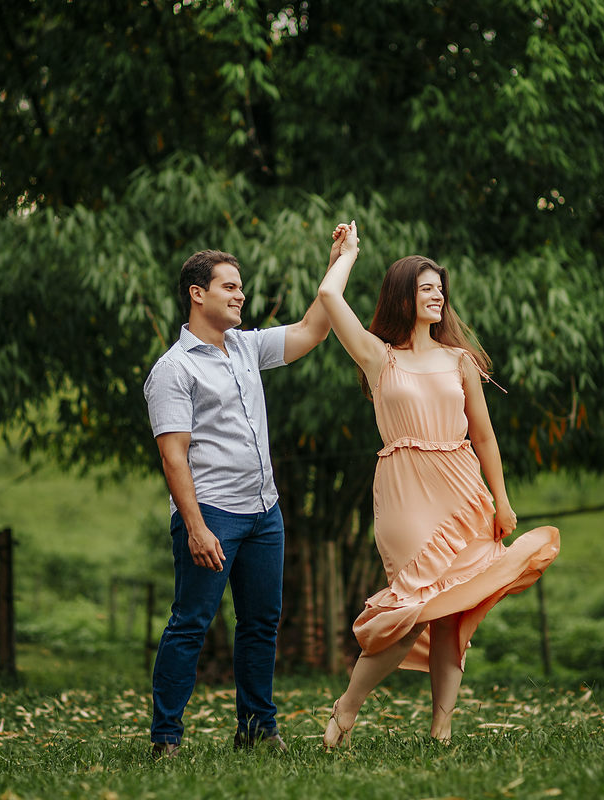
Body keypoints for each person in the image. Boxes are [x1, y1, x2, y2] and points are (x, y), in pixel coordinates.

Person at [316, 221, 560, 747]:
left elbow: (485, 437)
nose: (438, 296)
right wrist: (347, 253)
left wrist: (502, 501)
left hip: (464, 491)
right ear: (402, 295)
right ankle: (346, 710)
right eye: (426, 288)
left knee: (452, 613)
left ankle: (441, 731)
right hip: (404, 492)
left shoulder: (459, 361)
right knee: (410, 611)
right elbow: (329, 297)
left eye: (440, 289)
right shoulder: (379, 356)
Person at [143, 230, 348, 758]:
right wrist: (196, 528)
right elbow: (173, 457)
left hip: (264, 512)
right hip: (212, 514)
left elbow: (313, 329)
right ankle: (166, 738)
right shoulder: (174, 369)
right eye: (229, 287)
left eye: (240, 287)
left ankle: (257, 729)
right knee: (190, 624)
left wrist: (337, 263)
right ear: (197, 294)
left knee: (260, 625)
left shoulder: (246, 347)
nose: (241, 295)